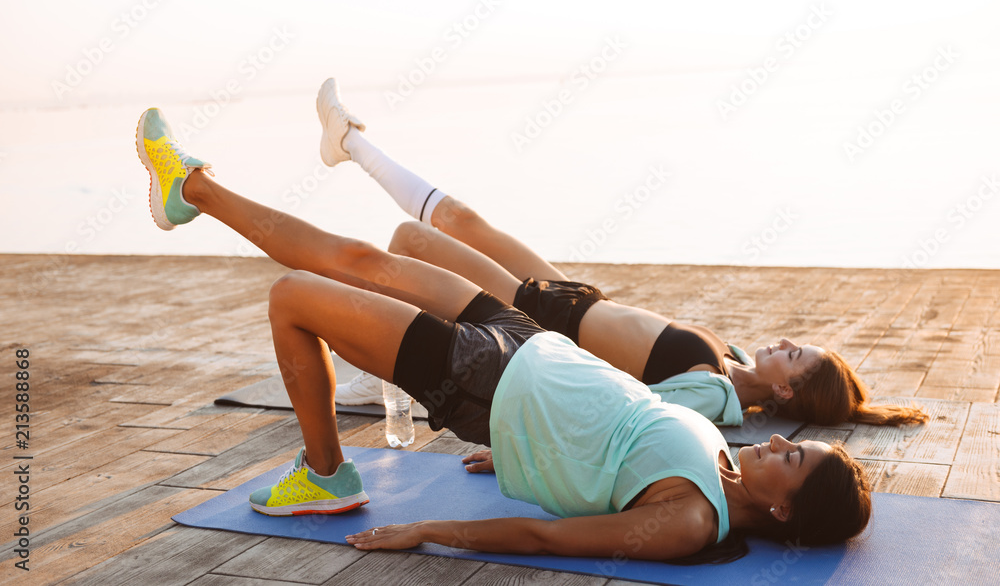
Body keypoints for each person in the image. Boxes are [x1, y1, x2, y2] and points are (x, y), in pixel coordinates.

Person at [132, 93, 872, 562]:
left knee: (293, 296)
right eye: (793, 441)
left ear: (782, 509)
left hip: (484, 382)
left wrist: (432, 528)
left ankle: (326, 475)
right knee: (361, 255)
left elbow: (548, 536)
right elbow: (621, 422)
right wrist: (536, 452)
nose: (777, 442)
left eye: (794, 460)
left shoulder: (689, 521)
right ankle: (186, 188)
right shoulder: (722, 460)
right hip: (524, 339)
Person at [322, 79, 927, 428]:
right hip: (575, 296)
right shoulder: (734, 362)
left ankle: (371, 378)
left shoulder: (714, 394)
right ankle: (348, 142)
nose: (783, 342)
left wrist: (523, 447)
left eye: (792, 355)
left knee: (410, 245)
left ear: (788, 391)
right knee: (461, 220)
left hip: (546, 322)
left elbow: (628, 413)